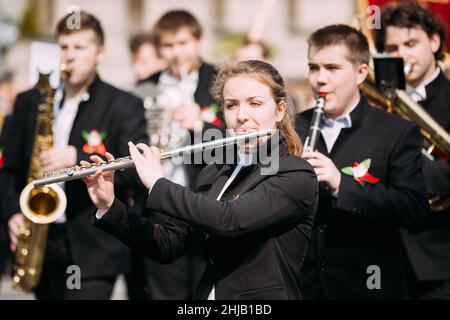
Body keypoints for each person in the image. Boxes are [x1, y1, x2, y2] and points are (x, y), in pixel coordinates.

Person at [82, 60, 318, 300]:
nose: (241, 116)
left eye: (255, 104)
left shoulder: (295, 173)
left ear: (279, 110)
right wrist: (108, 205)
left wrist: (158, 183)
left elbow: (229, 220)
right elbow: (168, 243)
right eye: (231, 105)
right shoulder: (215, 171)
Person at [0, 11, 147, 299]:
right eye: (64, 47)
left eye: (80, 48)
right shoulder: (31, 100)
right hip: (40, 239)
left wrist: (77, 156)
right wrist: (12, 213)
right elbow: (9, 167)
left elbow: (137, 165)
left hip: (92, 246)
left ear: (100, 52)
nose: (70, 56)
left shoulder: (123, 104)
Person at [296, 24, 430, 299]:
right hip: (305, 287)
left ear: (361, 73)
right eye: (313, 68)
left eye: (332, 68)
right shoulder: (293, 128)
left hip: (368, 286)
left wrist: (339, 184)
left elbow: (413, 210)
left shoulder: (397, 132)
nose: (320, 79)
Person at [132, 10, 224, 300]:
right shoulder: (145, 87)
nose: (176, 53)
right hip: (162, 199)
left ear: (197, 40)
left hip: (207, 197)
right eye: (168, 46)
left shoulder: (220, 81)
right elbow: (131, 136)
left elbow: (239, 140)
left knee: (206, 285)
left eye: (183, 43)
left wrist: (202, 124)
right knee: (164, 289)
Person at [374, 1, 450, 300]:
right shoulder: (376, 104)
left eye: (410, 43)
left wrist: (406, 174)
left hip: (440, 260)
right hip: (384, 261)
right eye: (392, 48)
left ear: (434, 42)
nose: (401, 55)